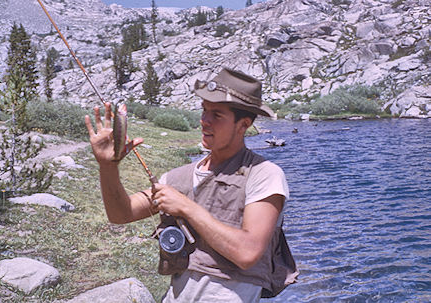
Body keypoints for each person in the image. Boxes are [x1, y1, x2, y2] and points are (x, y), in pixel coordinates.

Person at [85, 67, 298, 302]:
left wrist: (186, 207)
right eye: (204, 110)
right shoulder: (178, 178)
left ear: (243, 124)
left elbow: (247, 253)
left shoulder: (265, 175)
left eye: (216, 115)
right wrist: (108, 166)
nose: (204, 121)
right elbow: (121, 214)